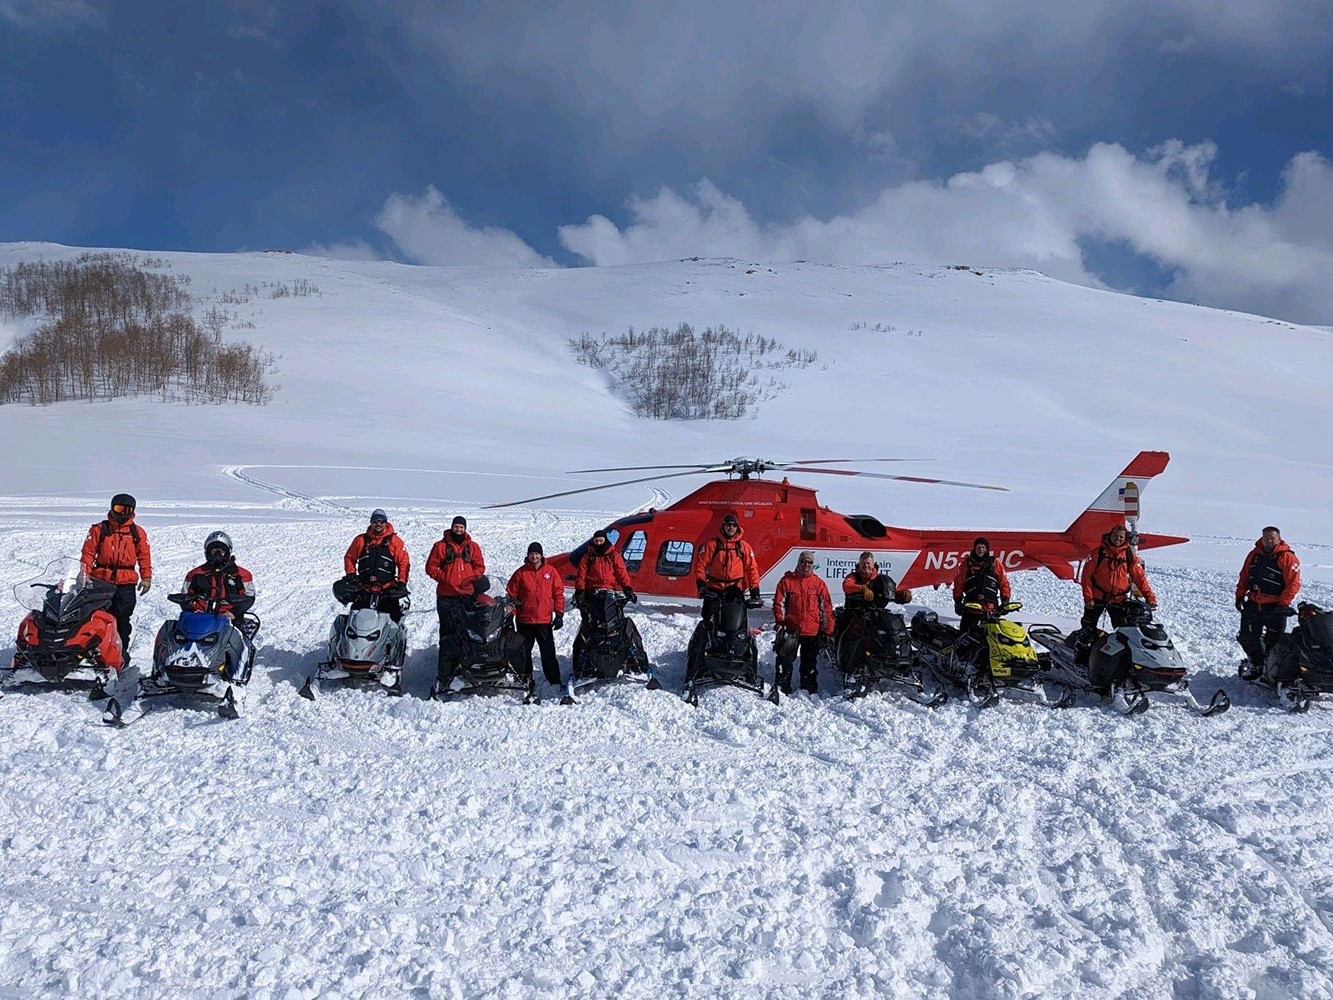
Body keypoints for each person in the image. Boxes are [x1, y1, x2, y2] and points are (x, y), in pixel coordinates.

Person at [79, 492, 152, 659]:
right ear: (112, 508)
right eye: (119, 508)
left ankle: (119, 653)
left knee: (122, 619)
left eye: (128, 509)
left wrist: (146, 578)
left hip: (126, 582)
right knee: (95, 617)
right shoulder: (99, 529)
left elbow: (144, 556)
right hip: (101, 580)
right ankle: (92, 651)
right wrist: (84, 574)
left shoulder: (137, 532)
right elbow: (88, 553)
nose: (123, 513)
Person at [426, 515, 486, 686]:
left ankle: (466, 666)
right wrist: (445, 578)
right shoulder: (440, 546)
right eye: (456, 527)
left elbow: (480, 567)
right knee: (447, 632)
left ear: (465, 529)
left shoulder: (473, 547)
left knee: (468, 632)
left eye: (461, 527)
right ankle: (445, 672)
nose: (458, 530)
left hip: (467, 596)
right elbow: (430, 567)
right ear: (452, 527)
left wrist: (472, 579)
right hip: (446, 595)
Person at [1235, 525, 1301, 679]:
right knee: (1247, 637)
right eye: (1266, 538)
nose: (1268, 541)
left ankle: (1273, 670)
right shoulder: (1254, 555)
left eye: (1272, 538)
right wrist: (1239, 596)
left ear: (1278, 539)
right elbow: (1244, 576)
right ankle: (1257, 664)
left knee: (1274, 641)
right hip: (1253, 604)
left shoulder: (1288, 557)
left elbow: (1293, 583)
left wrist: (1282, 604)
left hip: (1275, 607)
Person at [506, 542, 566, 697]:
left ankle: (553, 678)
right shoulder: (520, 573)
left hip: (544, 620)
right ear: (528, 555)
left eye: (537, 554)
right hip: (525, 619)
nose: (534, 556)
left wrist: (559, 614)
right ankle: (525, 678)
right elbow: (510, 595)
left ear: (541, 555)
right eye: (532, 554)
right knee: (524, 651)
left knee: (548, 651)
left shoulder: (551, 572)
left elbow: (558, 593)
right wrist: (510, 614)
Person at [772, 551, 835, 694]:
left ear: (813, 565)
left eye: (809, 562)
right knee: (785, 660)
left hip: (811, 631)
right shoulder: (787, 581)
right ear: (798, 562)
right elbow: (778, 603)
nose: (806, 565)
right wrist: (780, 622)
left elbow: (827, 608)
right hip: (791, 629)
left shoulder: (819, 584)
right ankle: (782, 687)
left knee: (809, 663)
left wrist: (828, 630)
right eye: (803, 561)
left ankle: (808, 690)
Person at [1079, 524, 1156, 634]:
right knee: (1087, 630)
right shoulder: (1098, 552)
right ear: (1110, 535)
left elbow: (1139, 577)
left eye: (1121, 537)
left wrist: (1150, 597)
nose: (1118, 539)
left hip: (1119, 599)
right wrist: (1088, 598)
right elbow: (1086, 577)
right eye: (1115, 536)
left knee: (1123, 632)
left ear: (1125, 538)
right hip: (1097, 598)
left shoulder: (1128, 555)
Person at [183, 531, 256, 639]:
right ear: (208, 552)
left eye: (221, 551)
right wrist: (192, 610)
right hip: (200, 620)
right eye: (214, 551)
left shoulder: (242, 575)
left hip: (230, 620)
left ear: (227, 552)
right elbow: (185, 596)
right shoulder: (195, 574)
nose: (217, 555)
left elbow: (249, 597)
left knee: (234, 645)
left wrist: (234, 612)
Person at [342, 509, 410, 621]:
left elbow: (404, 563)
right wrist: (351, 574)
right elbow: (349, 557)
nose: (378, 524)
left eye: (381, 521)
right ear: (371, 523)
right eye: (375, 521)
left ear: (386, 523)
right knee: (356, 619)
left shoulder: (395, 541)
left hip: (386, 589)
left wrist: (402, 582)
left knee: (392, 620)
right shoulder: (360, 540)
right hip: (364, 588)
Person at [694, 511, 761, 621]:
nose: (731, 528)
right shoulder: (712, 545)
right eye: (728, 525)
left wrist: (755, 589)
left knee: (737, 618)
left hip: (735, 589)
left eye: (734, 525)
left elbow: (752, 568)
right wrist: (701, 583)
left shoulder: (743, 546)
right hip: (715, 588)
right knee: (708, 617)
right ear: (724, 526)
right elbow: (700, 565)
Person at [953, 537, 1011, 635]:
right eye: (978, 547)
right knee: (964, 636)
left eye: (983, 547)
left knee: (991, 637)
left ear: (987, 549)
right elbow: (958, 583)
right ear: (974, 548)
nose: (981, 550)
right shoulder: (966, 564)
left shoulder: (995, 564)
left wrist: (1005, 600)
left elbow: (1004, 583)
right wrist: (958, 602)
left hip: (990, 607)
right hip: (971, 606)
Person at [575, 527, 636, 606]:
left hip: (609, 589)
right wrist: (580, 590)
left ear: (605, 540)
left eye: (601, 541)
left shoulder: (614, 556)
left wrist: (627, 587)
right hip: (592, 590)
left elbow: (621, 572)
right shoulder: (588, 557)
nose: (599, 543)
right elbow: (581, 575)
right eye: (596, 541)